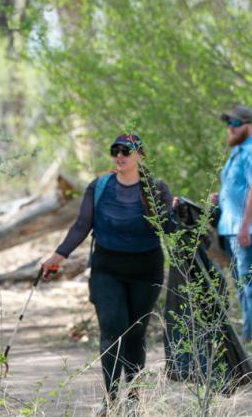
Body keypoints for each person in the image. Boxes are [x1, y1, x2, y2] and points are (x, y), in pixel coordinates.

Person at [42, 134, 173, 411]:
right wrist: (58, 255)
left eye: (126, 150)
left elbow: (167, 227)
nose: (120, 155)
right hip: (106, 270)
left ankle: (135, 400)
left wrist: (185, 214)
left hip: (146, 270)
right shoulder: (99, 186)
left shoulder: (156, 188)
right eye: (115, 150)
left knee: (136, 334)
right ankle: (111, 400)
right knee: (112, 331)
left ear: (139, 154)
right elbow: (81, 225)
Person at [212, 105, 252, 343]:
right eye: (229, 123)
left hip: (250, 227)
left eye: (236, 123)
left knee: (250, 278)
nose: (230, 127)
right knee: (241, 281)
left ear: (251, 125)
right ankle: (250, 333)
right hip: (232, 227)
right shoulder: (238, 152)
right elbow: (239, 186)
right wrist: (221, 198)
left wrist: (245, 225)